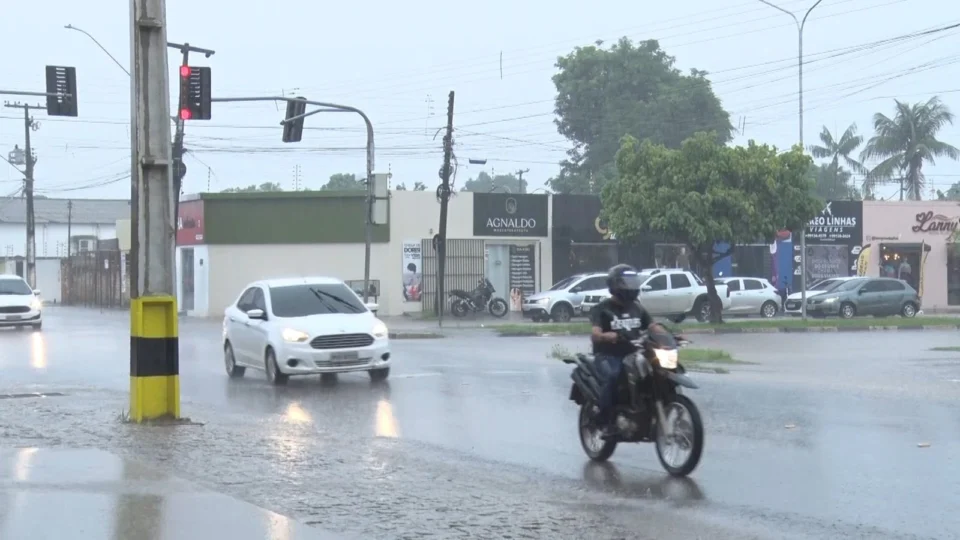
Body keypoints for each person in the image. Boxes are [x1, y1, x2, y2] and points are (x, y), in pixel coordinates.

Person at [590, 264, 654, 438]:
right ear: (614, 285)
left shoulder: (637, 307)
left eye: (633, 282)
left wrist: (668, 334)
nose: (631, 286)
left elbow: (652, 326)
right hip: (608, 355)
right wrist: (606, 336)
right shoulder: (602, 309)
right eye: (626, 282)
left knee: (657, 370)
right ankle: (604, 421)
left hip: (633, 354)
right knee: (613, 376)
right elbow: (595, 333)